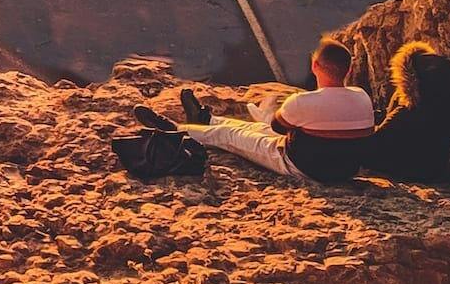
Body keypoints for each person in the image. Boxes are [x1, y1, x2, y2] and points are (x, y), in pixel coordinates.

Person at [137, 39, 374, 182]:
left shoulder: (304, 102)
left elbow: (277, 127)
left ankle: (176, 131)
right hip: (343, 170)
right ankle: (206, 119)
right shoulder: (362, 97)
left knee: (230, 137)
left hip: (298, 166)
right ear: (349, 68)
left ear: (314, 66)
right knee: (256, 128)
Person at [367, 40, 450, 181]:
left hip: (406, 171)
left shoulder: (407, 113)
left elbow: (375, 145)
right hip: (436, 169)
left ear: (408, 80)